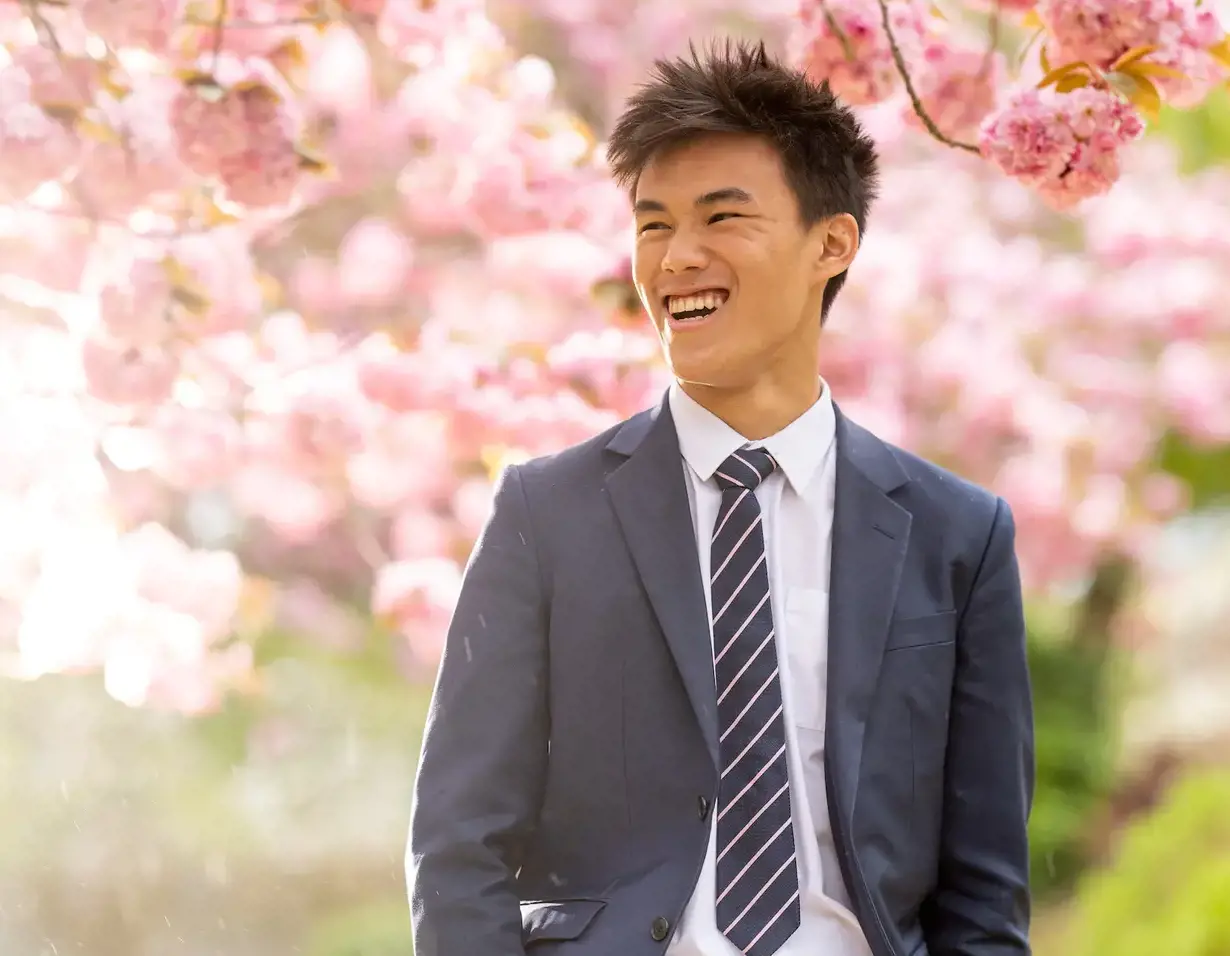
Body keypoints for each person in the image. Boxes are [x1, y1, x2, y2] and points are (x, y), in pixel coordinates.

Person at [407, 38, 1034, 956]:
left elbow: (984, 896)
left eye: (720, 218)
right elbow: (459, 842)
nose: (675, 259)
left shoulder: (957, 535)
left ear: (832, 242)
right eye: (653, 225)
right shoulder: (548, 516)